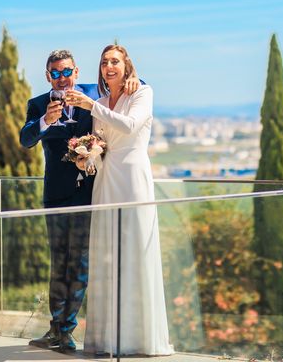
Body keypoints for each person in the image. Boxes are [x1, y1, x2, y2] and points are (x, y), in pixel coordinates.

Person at [19, 49, 139, 353]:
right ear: (48, 76)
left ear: (77, 71)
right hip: (56, 196)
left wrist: (135, 80)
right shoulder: (37, 104)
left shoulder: (93, 94)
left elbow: (123, 79)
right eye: (56, 73)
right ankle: (55, 329)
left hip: (89, 194)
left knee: (81, 263)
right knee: (60, 262)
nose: (63, 77)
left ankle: (68, 330)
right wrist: (45, 121)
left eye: (67, 71)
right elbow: (25, 139)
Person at [66, 44, 174, 356]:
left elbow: (128, 125)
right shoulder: (99, 101)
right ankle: (108, 340)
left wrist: (90, 106)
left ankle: (140, 339)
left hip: (133, 180)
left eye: (115, 61)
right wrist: (87, 157)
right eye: (104, 63)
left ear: (126, 66)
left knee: (136, 251)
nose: (108, 67)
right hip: (106, 181)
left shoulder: (142, 92)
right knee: (107, 256)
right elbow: (103, 147)